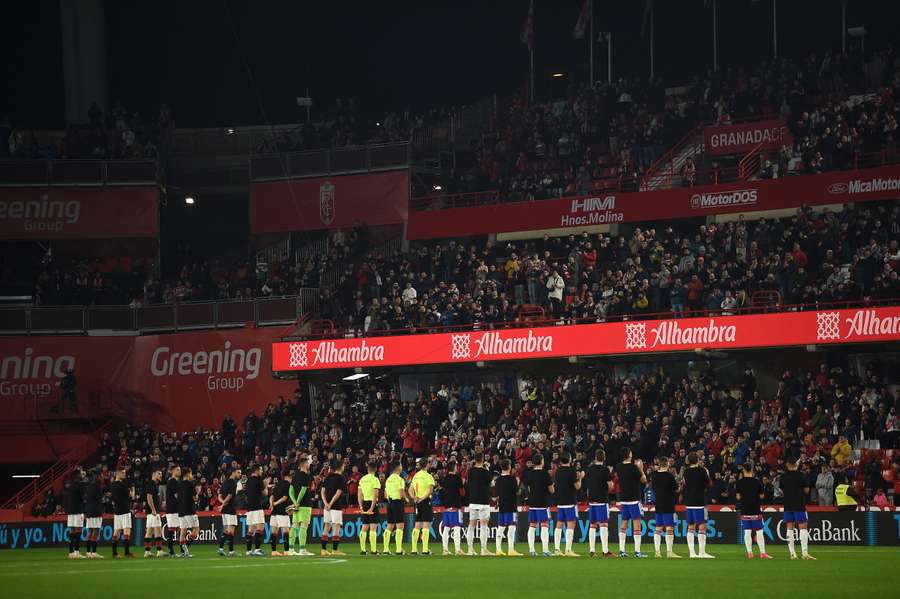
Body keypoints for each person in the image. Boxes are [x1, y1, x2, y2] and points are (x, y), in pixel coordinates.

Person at [781, 456, 815, 560]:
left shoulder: (783, 477)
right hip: (799, 505)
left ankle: (792, 553)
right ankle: (804, 553)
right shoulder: (802, 475)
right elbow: (806, 491)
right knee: (803, 528)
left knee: (789, 528)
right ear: (796, 464)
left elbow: (782, 492)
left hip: (787, 505)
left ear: (787, 464)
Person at [616, 448, 647, 558]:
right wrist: (641, 469)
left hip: (624, 499)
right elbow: (644, 480)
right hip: (634, 499)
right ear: (629, 454)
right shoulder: (634, 468)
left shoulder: (619, 466)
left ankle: (621, 550)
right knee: (637, 526)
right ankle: (637, 552)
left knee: (623, 525)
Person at [735, 462, 771, 559]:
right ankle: (762, 553)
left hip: (745, 509)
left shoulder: (739, 482)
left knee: (747, 532)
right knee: (759, 531)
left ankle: (750, 553)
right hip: (755, 509)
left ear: (743, 470)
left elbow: (738, 497)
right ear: (752, 470)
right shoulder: (757, 482)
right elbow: (762, 496)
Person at [682, 452, 714, 559]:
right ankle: (702, 552)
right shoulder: (702, 470)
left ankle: (692, 553)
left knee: (690, 527)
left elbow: (685, 484)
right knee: (702, 526)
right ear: (697, 460)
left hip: (689, 502)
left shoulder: (685, 472)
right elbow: (709, 484)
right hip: (700, 502)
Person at [523, 452, 554, 557]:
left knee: (532, 526)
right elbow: (552, 490)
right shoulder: (546, 474)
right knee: (545, 526)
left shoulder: (529, 473)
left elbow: (527, 487)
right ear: (542, 461)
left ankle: (532, 550)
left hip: (532, 503)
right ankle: (545, 550)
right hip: (543, 503)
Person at [553, 451, 582, 557]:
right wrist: (580, 478)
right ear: (569, 459)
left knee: (559, 524)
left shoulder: (558, 471)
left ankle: (556, 549)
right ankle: (568, 550)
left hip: (560, 502)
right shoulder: (572, 471)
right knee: (571, 524)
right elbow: (577, 486)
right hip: (570, 501)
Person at [585, 449, 613, 557]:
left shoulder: (590, 469)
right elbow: (610, 485)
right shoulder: (605, 470)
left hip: (592, 500)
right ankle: (605, 551)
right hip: (602, 500)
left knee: (592, 525)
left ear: (595, 457)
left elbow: (588, 485)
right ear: (604, 458)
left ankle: (592, 550)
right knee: (603, 525)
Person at [650, 457, 680, 559]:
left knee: (658, 528)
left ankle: (657, 552)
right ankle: (669, 552)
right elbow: (676, 489)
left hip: (658, 503)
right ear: (667, 464)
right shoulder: (669, 476)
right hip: (668, 504)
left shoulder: (654, 475)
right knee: (669, 528)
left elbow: (653, 488)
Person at [466, 452, 494, 556]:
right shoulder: (485, 472)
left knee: (471, 525)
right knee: (483, 525)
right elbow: (490, 483)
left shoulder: (470, 471)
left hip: (472, 501)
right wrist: (487, 468)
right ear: (482, 460)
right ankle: (483, 549)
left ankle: (470, 550)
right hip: (483, 501)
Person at [494, 459, 521, 556]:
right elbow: (517, 492)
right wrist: (518, 483)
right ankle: (511, 549)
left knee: (501, 527)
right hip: (511, 506)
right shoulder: (512, 479)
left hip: (502, 506)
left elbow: (497, 493)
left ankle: (498, 549)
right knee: (512, 527)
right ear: (509, 467)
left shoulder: (498, 480)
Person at [288, 454, 314, 556]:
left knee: (294, 526)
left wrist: (294, 502)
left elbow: (290, 490)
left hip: (297, 505)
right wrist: (298, 502)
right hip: (305, 504)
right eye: (308, 463)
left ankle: (291, 549)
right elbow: (303, 490)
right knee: (304, 526)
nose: (309, 465)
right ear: (305, 464)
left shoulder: (295, 476)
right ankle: (302, 549)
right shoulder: (306, 476)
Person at [409, 457, 435, 555]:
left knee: (417, 525)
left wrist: (415, 498)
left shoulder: (416, 476)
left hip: (418, 503)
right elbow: (430, 491)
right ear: (427, 464)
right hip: (425, 502)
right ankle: (425, 549)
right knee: (426, 526)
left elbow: (410, 490)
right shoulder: (428, 476)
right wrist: (422, 498)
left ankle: (414, 549)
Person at [320, 459, 346, 557]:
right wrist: (330, 503)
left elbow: (322, 491)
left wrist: (325, 503)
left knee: (326, 527)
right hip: (335, 506)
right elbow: (338, 493)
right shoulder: (341, 478)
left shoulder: (327, 477)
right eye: (343, 465)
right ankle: (335, 550)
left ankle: (323, 549)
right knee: (336, 527)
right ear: (340, 467)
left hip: (326, 507)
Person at [382, 462, 408, 555]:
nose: (402, 467)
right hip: (397, 503)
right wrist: (407, 499)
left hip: (389, 503)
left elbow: (385, 495)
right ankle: (398, 549)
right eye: (401, 465)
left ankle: (385, 549)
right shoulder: (400, 479)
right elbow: (401, 494)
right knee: (400, 526)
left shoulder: (388, 479)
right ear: (398, 468)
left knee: (390, 526)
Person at [440, 460, 464, 556]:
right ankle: (457, 550)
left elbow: (442, 492)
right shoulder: (458, 479)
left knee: (446, 528)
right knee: (457, 527)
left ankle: (445, 550)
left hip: (446, 506)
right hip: (455, 506)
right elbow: (462, 493)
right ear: (454, 468)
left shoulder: (444, 479)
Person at [357, 461, 382, 555]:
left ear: (368, 469)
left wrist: (361, 507)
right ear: (376, 469)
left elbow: (359, 495)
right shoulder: (375, 480)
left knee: (364, 527)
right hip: (372, 504)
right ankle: (374, 550)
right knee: (373, 528)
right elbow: (375, 495)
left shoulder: (362, 479)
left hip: (364, 503)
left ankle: (363, 550)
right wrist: (372, 507)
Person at [217, 465, 241, 557]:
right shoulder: (233, 483)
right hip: (230, 509)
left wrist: (222, 504)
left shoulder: (225, 482)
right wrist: (223, 504)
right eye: (238, 472)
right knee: (231, 530)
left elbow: (219, 495)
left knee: (226, 530)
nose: (240, 474)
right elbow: (230, 496)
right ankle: (231, 551)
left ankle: (221, 548)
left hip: (224, 510)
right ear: (233, 472)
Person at [110, 469, 134, 558]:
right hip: (124, 510)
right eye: (123, 473)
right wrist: (132, 488)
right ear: (118, 473)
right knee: (127, 530)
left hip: (117, 511)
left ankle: (114, 553)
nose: (124, 474)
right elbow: (131, 495)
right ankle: (127, 552)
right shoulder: (122, 485)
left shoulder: (112, 484)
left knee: (116, 531)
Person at [244, 463, 267, 556]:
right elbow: (264, 493)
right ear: (256, 470)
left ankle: (249, 550)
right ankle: (257, 549)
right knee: (260, 527)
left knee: (250, 529)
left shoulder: (248, 480)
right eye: (261, 470)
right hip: (257, 506)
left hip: (249, 508)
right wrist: (266, 485)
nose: (261, 471)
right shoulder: (259, 480)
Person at [269, 470, 292, 556]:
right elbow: (285, 498)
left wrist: (272, 504)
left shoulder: (277, 484)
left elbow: (271, 496)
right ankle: (286, 551)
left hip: (274, 512)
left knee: (274, 532)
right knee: (286, 531)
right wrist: (275, 503)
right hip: (282, 511)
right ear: (289, 477)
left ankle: (274, 551)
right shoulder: (288, 485)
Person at [177, 468, 199, 558]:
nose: (192, 475)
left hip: (181, 511)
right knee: (196, 530)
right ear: (187, 474)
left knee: (182, 532)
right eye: (191, 473)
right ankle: (186, 549)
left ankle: (182, 552)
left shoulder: (179, 484)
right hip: (189, 510)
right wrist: (197, 493)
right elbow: (195, 498)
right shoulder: (191, 484)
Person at [64, 469, 86, 559]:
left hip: (70, 511)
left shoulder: (69, 486)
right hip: (78, 511)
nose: (81, 476)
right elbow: (83, 498)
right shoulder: (80, 485)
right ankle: (77, 552)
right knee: (78, 531)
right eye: (80, 474)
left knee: (72, 531)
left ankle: (71, 552)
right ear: (77, 476)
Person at [144, 468, 164, 558]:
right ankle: (159, 551)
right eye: (159, 473)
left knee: (149, 531)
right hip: (153, 512)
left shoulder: (153, 484)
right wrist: (153, 509)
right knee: (158, 531)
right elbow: (149, 497)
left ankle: (147, 552)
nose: (161, 475)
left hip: (150, 512)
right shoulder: (152, 483)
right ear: (154, 474)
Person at [84, 469, 103, 559]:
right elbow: (99, 498)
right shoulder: (97, 486)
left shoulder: (89, 486)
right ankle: (94, 552)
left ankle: (88, 552)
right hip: (95, 510)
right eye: (101, 476)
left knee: (90, 531)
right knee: (96, 531)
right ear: (98, 477)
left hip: (89, 510)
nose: (102, 477)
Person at [164, 465, 181, 557]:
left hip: (175, 509)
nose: (179, 471)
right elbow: (176, 495)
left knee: (178, 529)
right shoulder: (173, 481)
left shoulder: (175, 481)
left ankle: (180, 550)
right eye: (178, 470)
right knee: (171, 530)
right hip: (172, 509)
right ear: (173, 471)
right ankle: (171, 551)